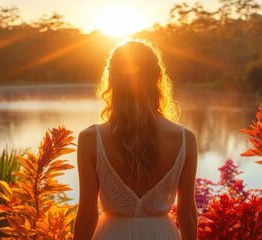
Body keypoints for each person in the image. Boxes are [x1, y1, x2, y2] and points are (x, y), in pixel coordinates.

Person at [74, 39, 197, 240]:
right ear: (157, 78)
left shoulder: (90, 139)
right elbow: (187, 214)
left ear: (112, 80)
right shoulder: (184, 138)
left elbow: (87, 215)